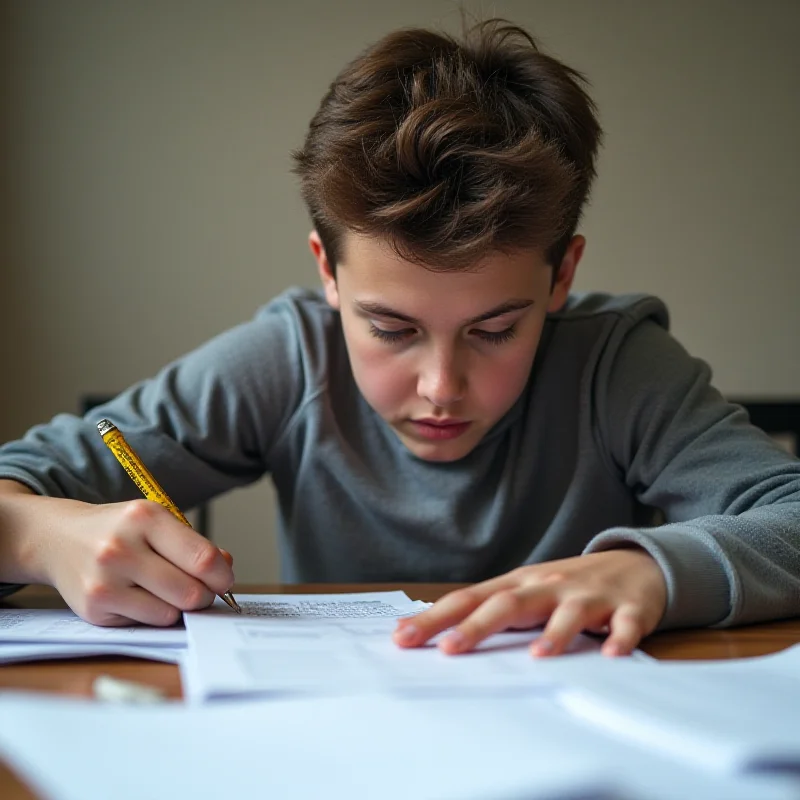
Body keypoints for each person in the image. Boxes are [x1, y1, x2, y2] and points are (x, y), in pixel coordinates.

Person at [1, 19, 799, 660]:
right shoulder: (289, 362)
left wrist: (648, 571)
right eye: (390, 328)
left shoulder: (617, 368)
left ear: (561, 277)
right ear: (330, 275)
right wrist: (35, 535)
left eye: (496, 329)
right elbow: (19, 484)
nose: (441, 387)